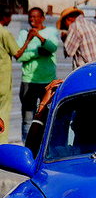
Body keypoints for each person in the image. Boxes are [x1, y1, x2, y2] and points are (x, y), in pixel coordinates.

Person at [18, 7, 59, 141]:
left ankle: (45, 146)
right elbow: (19, 55)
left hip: (47, 81)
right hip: (29, 80)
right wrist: (32, 46)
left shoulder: (51, 31)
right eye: (30, 17)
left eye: (36, 17)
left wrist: (39, 37)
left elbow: (52, 48)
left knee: (48, 116)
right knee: (28, 117)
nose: (33, 20)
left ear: (42, 18)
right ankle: (28, 146)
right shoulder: (24, 33)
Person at [0, 7, 25, 133]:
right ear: (4, 17)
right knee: (3, 111)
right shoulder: (4, 33)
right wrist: (29, 39)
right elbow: (17, 53)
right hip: (2, 79)